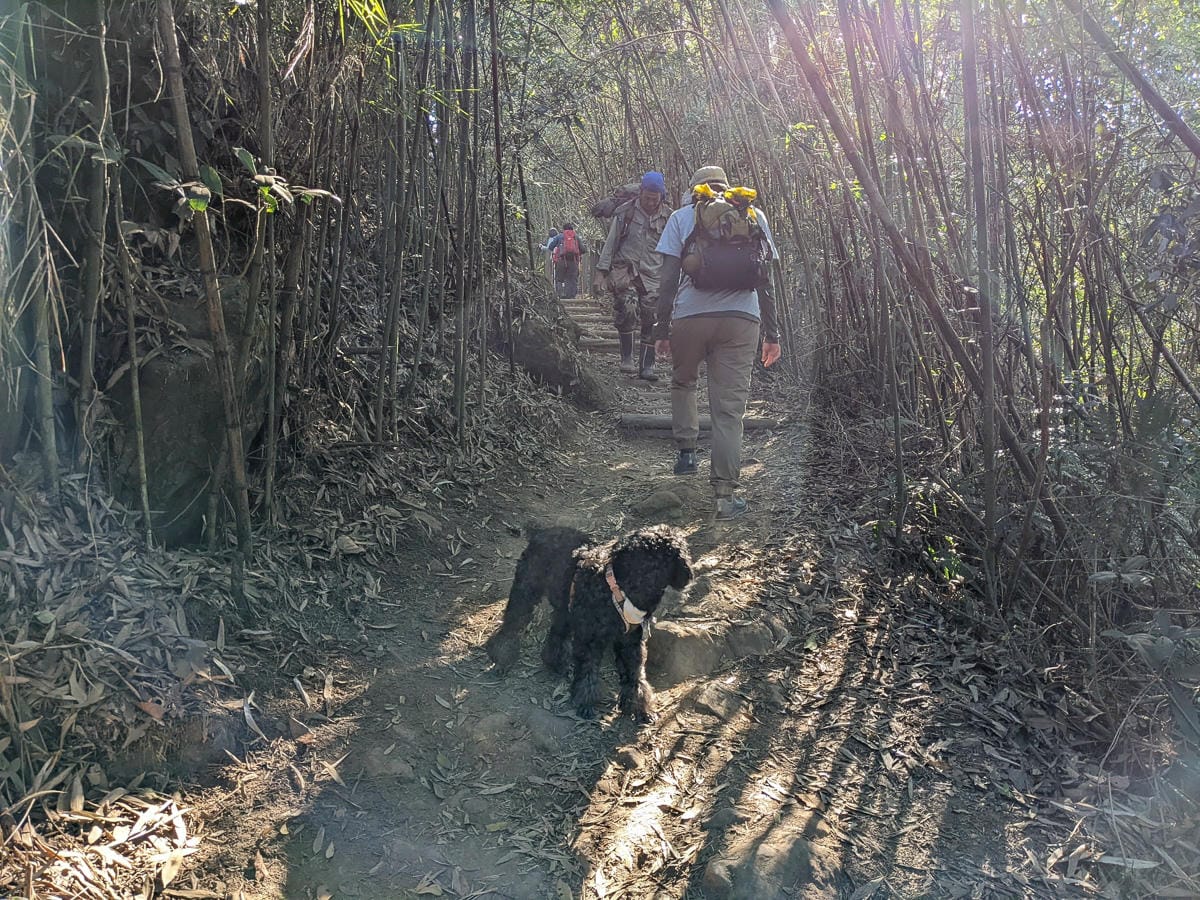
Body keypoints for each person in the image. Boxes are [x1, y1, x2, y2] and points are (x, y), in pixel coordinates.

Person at [654, 165, 783, 520]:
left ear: (694, 191)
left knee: (684, 381)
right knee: (728, 411)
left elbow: (667, 280)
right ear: (726, 188)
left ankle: (686, 454)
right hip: (743, 321)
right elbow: (765, 279)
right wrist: (773, 335)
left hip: (689, 317)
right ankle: (725, 497)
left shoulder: (682, 217)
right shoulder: (752, 214)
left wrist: (660, 330)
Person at [595, 171, 671, 379]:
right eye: (646, 198)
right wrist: (601, 273)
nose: (650, 202)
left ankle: (648, 366)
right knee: (627, 309)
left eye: (654, 199)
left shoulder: (669, 217)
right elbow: (611, 243)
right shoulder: (626, 212)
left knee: (651, 318)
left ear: (661, 197)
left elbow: (674, 251)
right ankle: (627, 358)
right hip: (625, 271)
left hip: (654, 275)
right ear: (640, 194)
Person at [544, 222, 587, 299]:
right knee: (572, 279)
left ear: (563, 229)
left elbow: (550, 247)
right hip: (573, 261)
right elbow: (583, 250)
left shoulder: (559, 236)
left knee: (559, 278)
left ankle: (559, 295)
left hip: (561, 260)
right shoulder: (576, 237)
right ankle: (571, 296)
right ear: (572, 229)